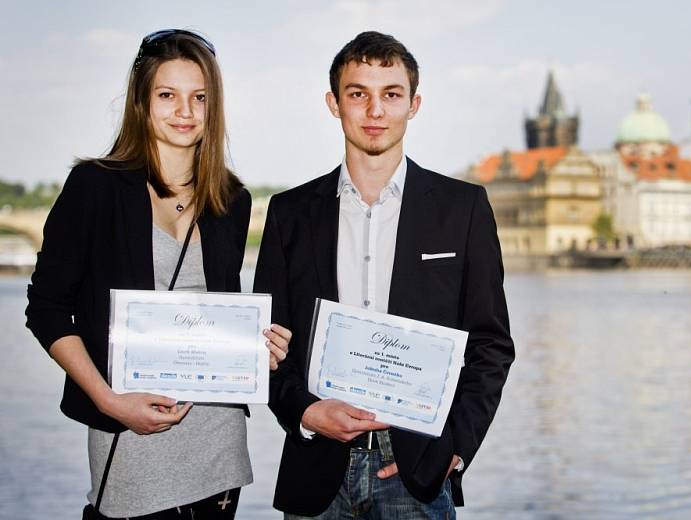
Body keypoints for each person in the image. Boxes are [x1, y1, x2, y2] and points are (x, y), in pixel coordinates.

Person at [25, 29, 290, 519]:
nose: (185, 111)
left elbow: (215, 315)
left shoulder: (232, 201)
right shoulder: (94, 187)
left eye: (200, 98)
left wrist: (261, 348)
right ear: (142, 103)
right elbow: (46, 309)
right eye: (168, 95)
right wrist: (108, 401)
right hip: (128, 438)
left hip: (217, 445)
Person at [254, 31, 514, 518]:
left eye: (391, 95)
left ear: (413, 104)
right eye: (358, 94)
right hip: (316, 471)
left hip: (417, 471)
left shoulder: (463, 209)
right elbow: (267, 343)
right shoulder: (289, 213)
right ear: (334, 104)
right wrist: (305, 413)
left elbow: (491, 344)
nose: (375, 111)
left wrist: (456, 446)